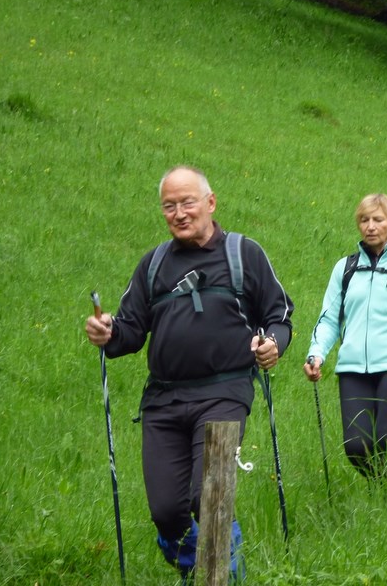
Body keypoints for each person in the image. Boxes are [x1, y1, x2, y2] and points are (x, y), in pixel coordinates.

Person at [85, 165, 293, 583]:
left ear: (210, 203)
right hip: (163, 401)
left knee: (209, 495)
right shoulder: (154, 264)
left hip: (224, 391)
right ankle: (202, 567)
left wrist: (273, 343)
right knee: (165, 511)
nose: (179, 213)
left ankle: (222, 576)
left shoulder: (243, 253)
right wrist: (107, 332)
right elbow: (128, 331)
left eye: (187, 202)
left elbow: (280, 313)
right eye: (169, 206)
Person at [303, 193, 387, 479]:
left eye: (378, 219)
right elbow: (329, 319)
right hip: (353, 367)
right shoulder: (346, 268)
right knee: (356, 446)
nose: (370, 226)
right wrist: (316, 354)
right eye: (364, 220)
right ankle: (384, 487)